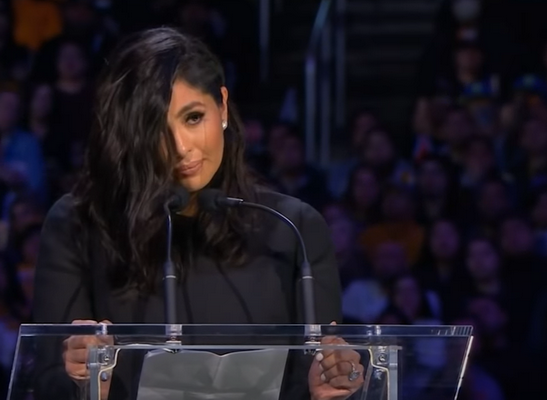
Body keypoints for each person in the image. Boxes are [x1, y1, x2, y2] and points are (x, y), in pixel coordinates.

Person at [32, 27, 363, 400]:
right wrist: (83, 381)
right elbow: (46, 380)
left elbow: (321, 377)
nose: (180, 147)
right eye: (156, 128)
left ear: (222, 106)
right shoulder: (80, 223)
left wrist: (335, 383)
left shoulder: (293, 229)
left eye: (193, 118)